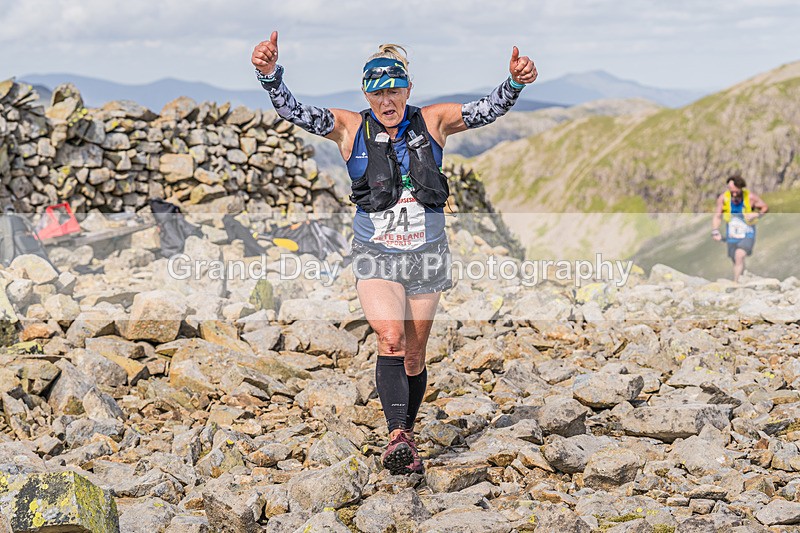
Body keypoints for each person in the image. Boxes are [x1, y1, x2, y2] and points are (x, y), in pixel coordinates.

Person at [251, 32, 537, 475]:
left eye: (395, 91)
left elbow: (486, 111)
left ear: (408, 90)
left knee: (414, 357)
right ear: (366, 93)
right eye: (378, 92)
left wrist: (514, 83)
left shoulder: (434, 121)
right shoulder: (350, 127)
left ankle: (407, 429)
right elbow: (297, 113)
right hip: (376, 255)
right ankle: (397, 435)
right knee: (391, 338)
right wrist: (269, 75)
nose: (387, 100)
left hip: (427, 255)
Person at [712, 174, 768, 283]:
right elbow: (717, 216)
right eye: (730, 189)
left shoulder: (750, 197)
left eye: (735, 190)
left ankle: (736, 283)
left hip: (747, 232)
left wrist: (756, 214)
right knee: (735, 258)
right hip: (732, 233)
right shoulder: (724, 198)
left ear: (741, 187)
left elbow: (765, 207)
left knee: (739, 255)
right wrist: (715, 231)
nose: (733, 192)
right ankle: (742, 278)